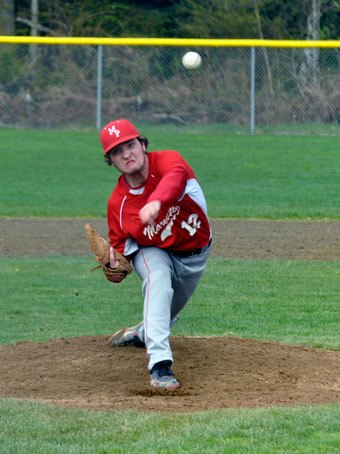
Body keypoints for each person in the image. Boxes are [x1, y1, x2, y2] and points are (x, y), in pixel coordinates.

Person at [99, 119, 211, 391]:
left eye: (130, 145)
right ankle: (160, 366)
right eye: (117, 151)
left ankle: (143, 333)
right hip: (153, 252)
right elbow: (120, 250)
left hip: (195, 253)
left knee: (165, 312)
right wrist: (113, 268)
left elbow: (173, 181)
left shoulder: (169, 161)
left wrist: (155, 202)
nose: (126, 154)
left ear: (143, 144)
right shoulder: (118, 203)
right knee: (157, 278)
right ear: (111, 161)